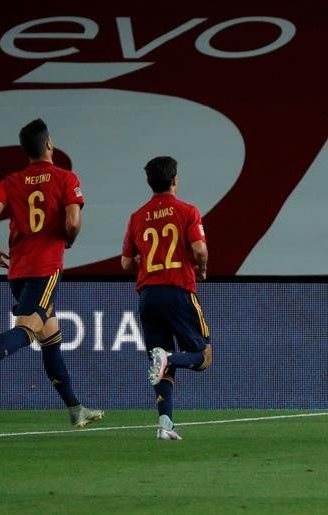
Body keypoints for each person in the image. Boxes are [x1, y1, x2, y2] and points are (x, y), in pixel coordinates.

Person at [0, 118, 104, 428]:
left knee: (50, 338)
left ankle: (76, 409)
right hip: (46, 267)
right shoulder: (65, 178)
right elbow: (73, 222)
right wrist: (69, 239)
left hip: (18, 269)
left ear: (26, 150)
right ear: (49, 143)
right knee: (27, 328)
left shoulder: (11, 181)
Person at [121, 156, 212, 441]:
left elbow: (126, 263)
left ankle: (165, 424)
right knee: (204, 356)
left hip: (148, 295)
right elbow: (199, 250)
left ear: (150, 183)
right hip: (178, 289)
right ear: (175, 180)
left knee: (161, 364)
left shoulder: (137, 216)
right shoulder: (187, 211)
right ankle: (168, 356)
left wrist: (146, 261)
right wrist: (203, 268)